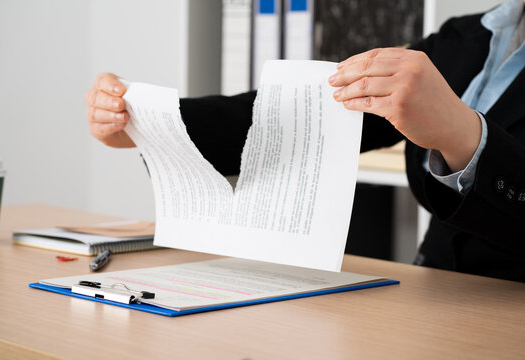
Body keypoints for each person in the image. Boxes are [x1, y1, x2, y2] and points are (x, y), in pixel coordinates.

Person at [85, 0, 525, 282]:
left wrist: (461, 134)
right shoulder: (467, 36)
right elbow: (298, 117)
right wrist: (147, 121)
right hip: (431, 298)